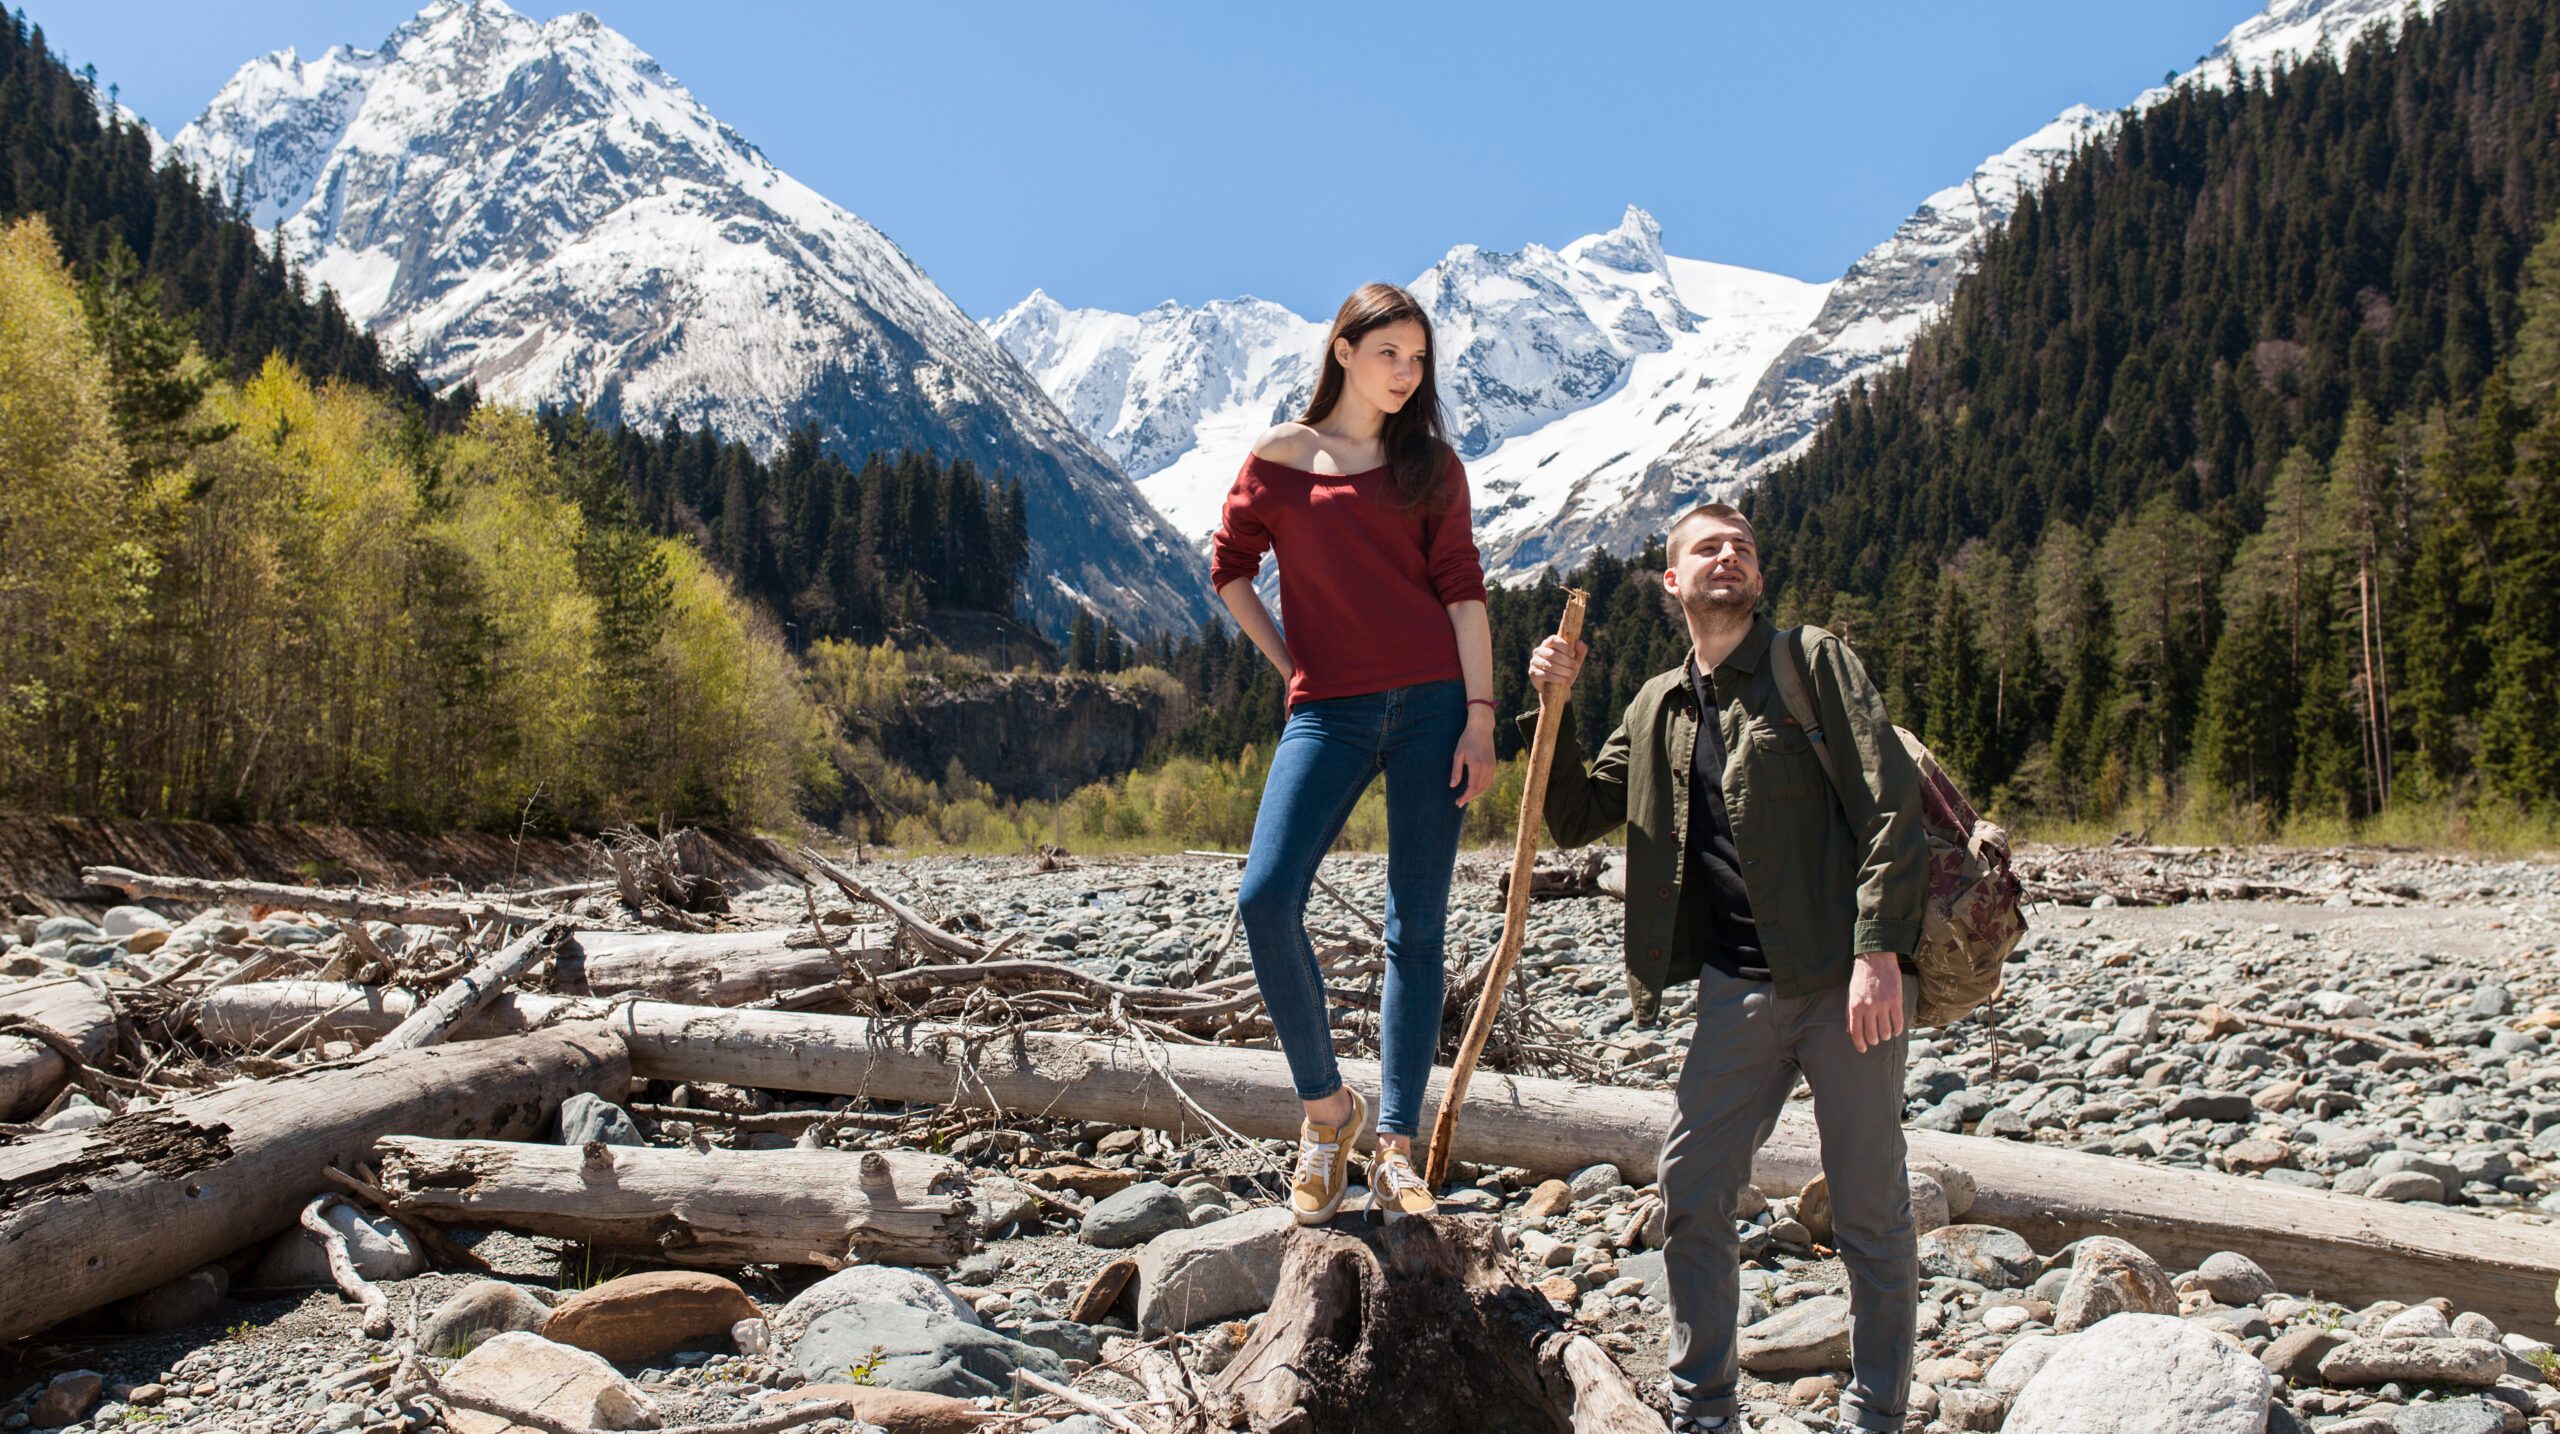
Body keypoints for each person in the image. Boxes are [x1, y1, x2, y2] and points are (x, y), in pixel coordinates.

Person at [1525, 502, 1928, 1434]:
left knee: (1870, 1208)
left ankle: (1877, 1415)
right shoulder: (1657, 703)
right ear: (1673, 582)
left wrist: (1880, 952)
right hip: (1734, 991)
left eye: (1742, 545)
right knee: (1692, 1191)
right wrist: (1557, 701)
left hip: (1841, 984)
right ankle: (1705, 1408)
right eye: (1707, 547)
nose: (1729, 556)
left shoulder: (1810, 661)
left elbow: (1888, 807)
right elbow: (1579, 815)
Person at [1209, 281, 1497, 1225]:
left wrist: (1481, 717)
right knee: (1265, 895)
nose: (1407, 374)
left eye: (1419, 360)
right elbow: (1229, 569)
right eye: (1389, 354)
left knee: (1417, 929)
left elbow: (1462, 591)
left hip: (1433, 709)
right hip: (1325, 713)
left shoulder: (1433, 467)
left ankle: (1399, 1147)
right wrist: (1292, 663)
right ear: (1343, 351)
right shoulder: (1282, 460)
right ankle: (1328, 1111)